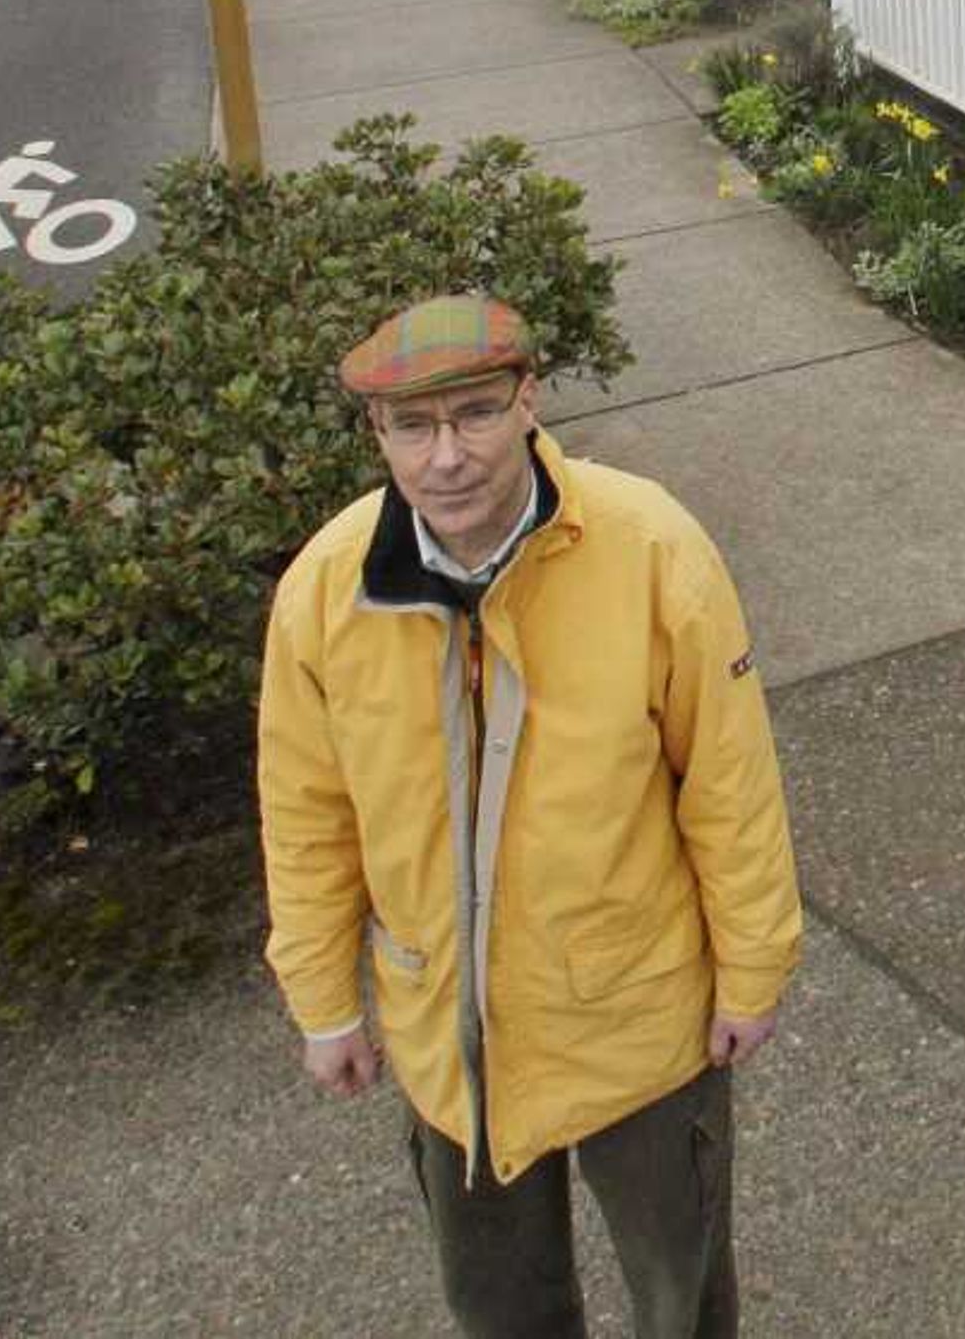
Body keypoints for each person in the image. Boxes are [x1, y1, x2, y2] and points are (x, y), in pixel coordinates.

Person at [260, 294, 800, 1339]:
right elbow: (305, 808)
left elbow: (728, 780)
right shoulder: (324, 589)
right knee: (500, 1309)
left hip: (637, 1015)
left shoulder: (650, 545)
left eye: (474, 413)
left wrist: (753, 964)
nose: (446, 454)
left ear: (529, 399)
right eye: (412, 426)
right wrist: (323, 997)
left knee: (681, 1296)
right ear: (378, 435)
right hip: (445, 1029)